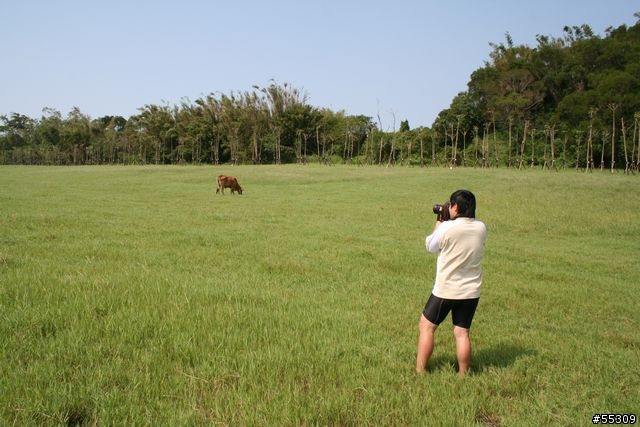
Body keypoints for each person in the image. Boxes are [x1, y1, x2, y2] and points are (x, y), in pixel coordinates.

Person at [416, 189, 486, 377]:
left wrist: (440, 221)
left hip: (446, 290)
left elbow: (430, 246)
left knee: (426, 326)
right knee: (462, 333)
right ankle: (464, 374)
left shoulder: (447, 227)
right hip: (471, 291)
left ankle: (420, 371)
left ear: (455, 207)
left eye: (451, 204)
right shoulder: (481, 228)